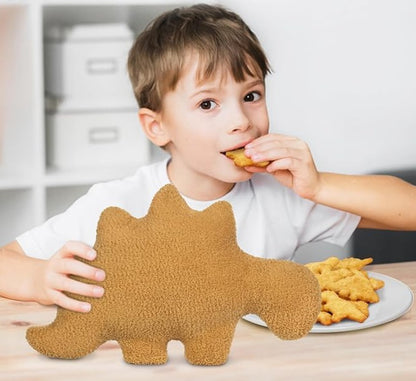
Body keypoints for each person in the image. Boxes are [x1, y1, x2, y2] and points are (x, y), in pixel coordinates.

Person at [0, 4, 415, 314]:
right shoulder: (118, 204)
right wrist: (39, 279)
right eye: (207, 104)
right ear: (156, 126)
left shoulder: (283, 195)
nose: (240, 121)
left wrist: (319, 185)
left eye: (251, 96)